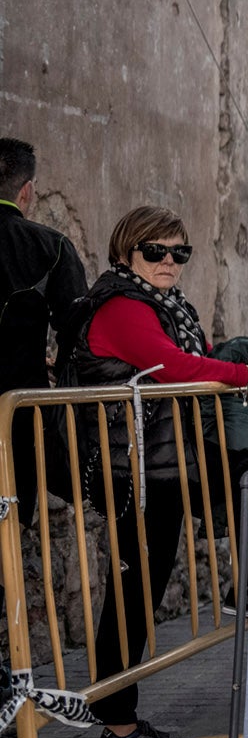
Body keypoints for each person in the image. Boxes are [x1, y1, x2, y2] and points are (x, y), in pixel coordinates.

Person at [57, 206, 248, 738]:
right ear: (125, 252)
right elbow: (172, 367)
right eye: (154, 251)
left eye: (178, 252)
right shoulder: (120, 305)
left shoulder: (167, 305)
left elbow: (196, 360)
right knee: (134, 591)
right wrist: (246, 374)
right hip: (135, 471)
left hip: (168, 463)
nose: (168, 262)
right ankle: (118, 726)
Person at [0, 138, 88, 500]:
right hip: (15, 417)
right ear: (27, 191)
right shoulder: (51, 247)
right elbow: (77, 330)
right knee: (8, 532)